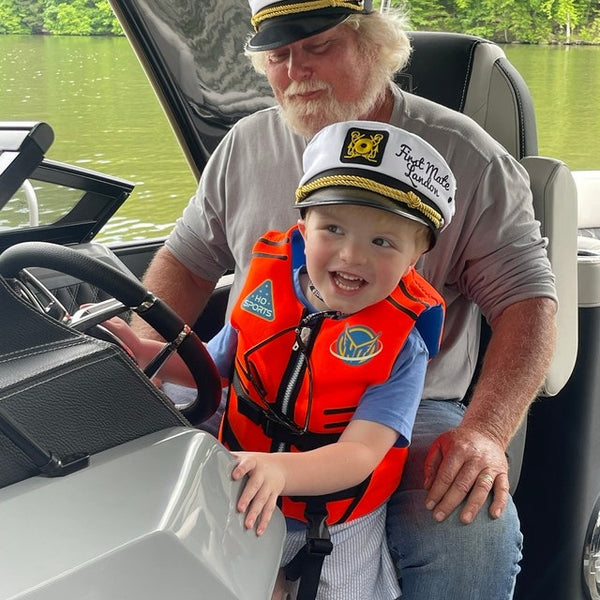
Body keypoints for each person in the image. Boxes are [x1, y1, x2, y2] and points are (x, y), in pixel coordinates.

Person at [133, 1, 558, 597]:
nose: (295, 71)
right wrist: (147, 350)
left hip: (404, 399)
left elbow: (528, 301)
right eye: (278, 56)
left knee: (469, 529)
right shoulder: (243, 145)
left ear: (376, 45)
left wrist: (487, 431)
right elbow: (186, 262)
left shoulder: (469, 156)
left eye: (317, 47)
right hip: (251, 374)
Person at [218, 121, 454, 600]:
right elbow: (212, 366)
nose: (351, 255)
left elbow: (361, 454)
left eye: (383, 242)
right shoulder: (268, 285)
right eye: (333, 228)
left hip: (335, 519)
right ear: (303, 227)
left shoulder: (402, 347)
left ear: (418, 254)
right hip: (244, 489)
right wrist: (145, 353)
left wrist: (280, 472)